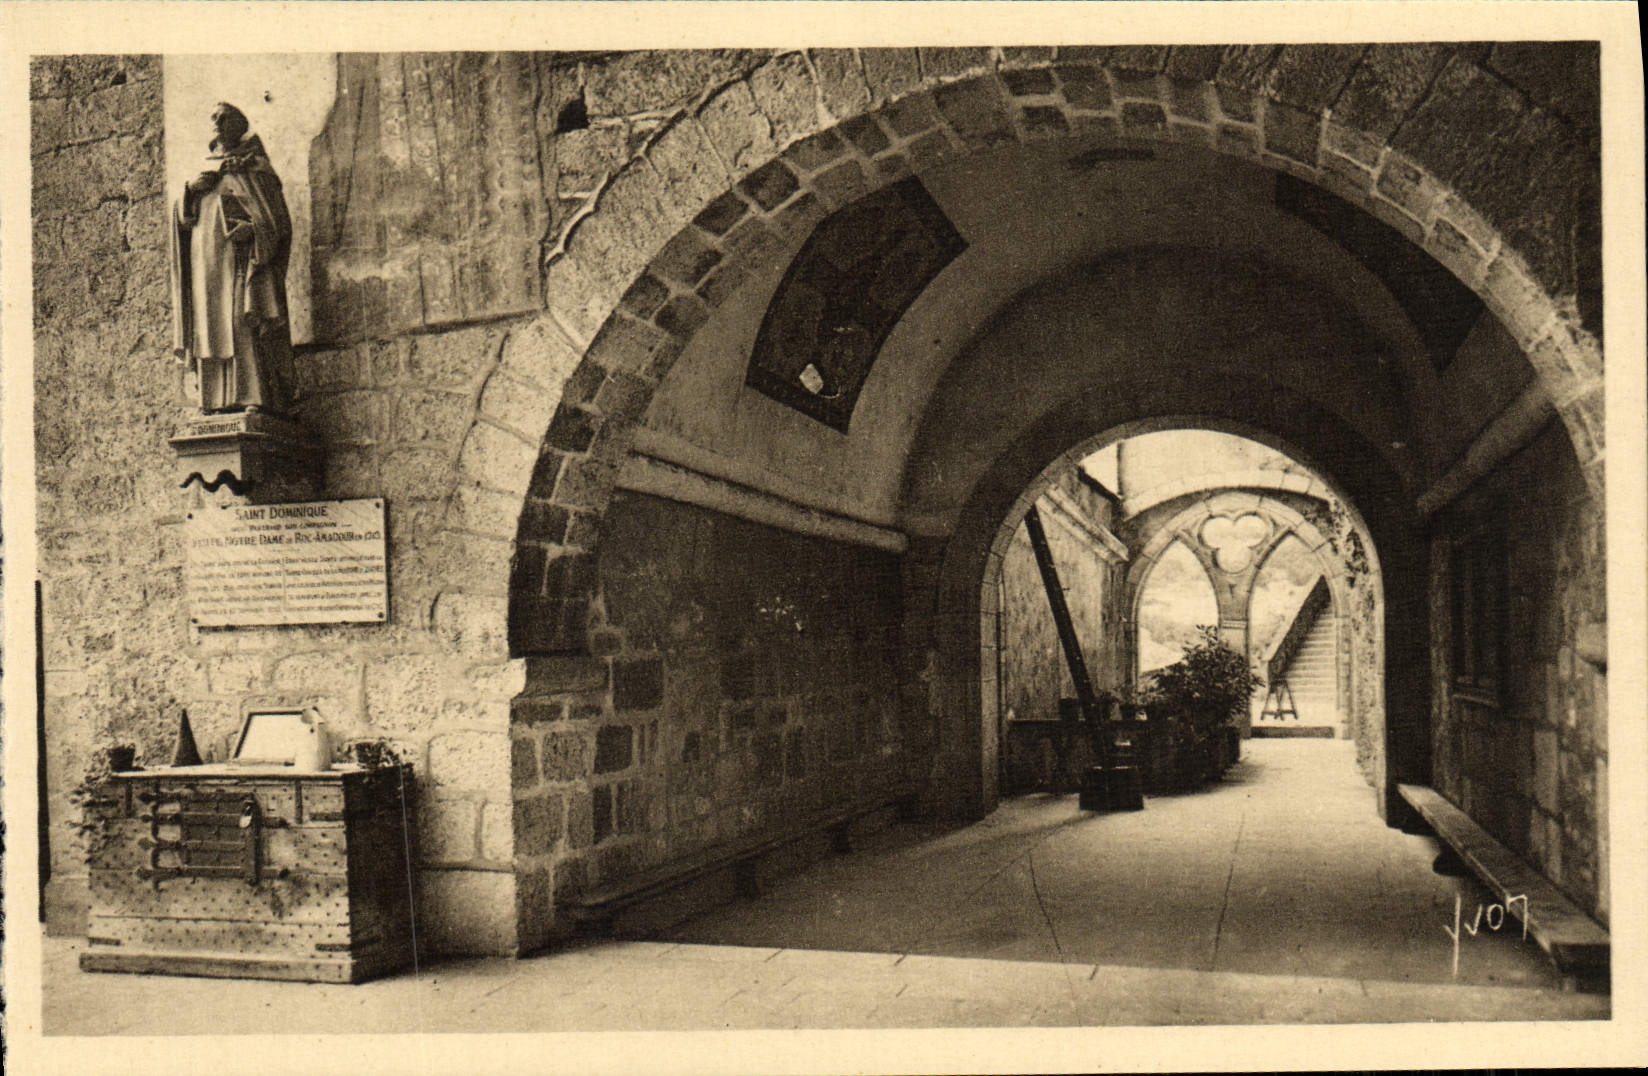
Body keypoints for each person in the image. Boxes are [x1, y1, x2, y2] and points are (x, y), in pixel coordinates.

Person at [170, 102, 294, 414]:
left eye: (223, 118)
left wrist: (253, 231)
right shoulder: (203, 167)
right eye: (213, 118)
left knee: (241, 324)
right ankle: (212, 400)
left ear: (238, 126)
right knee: (210, 327)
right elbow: (183, 221)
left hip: (242, 263)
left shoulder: (256, 169)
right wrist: (190, 190)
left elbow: (279, 222)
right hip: (206, 263)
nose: (216, 123)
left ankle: (254, 397)